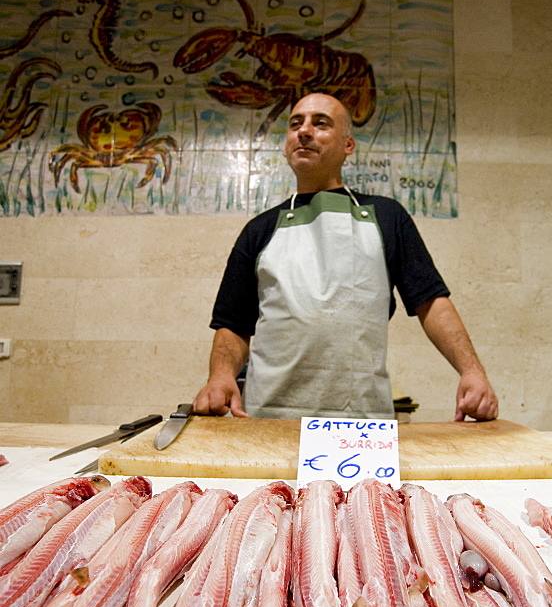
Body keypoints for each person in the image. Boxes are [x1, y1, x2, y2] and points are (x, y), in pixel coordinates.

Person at [193, 92, 498, 422]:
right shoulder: (259, 230)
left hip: (362, 423)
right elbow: (232, 324)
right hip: (268, 417)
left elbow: (431, 302)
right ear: (285, 147)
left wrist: (472, 371)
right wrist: (220, 376)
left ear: (348, 145)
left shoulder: (386, 216)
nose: (305, 131)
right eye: (296, 124)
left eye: (320, 123)